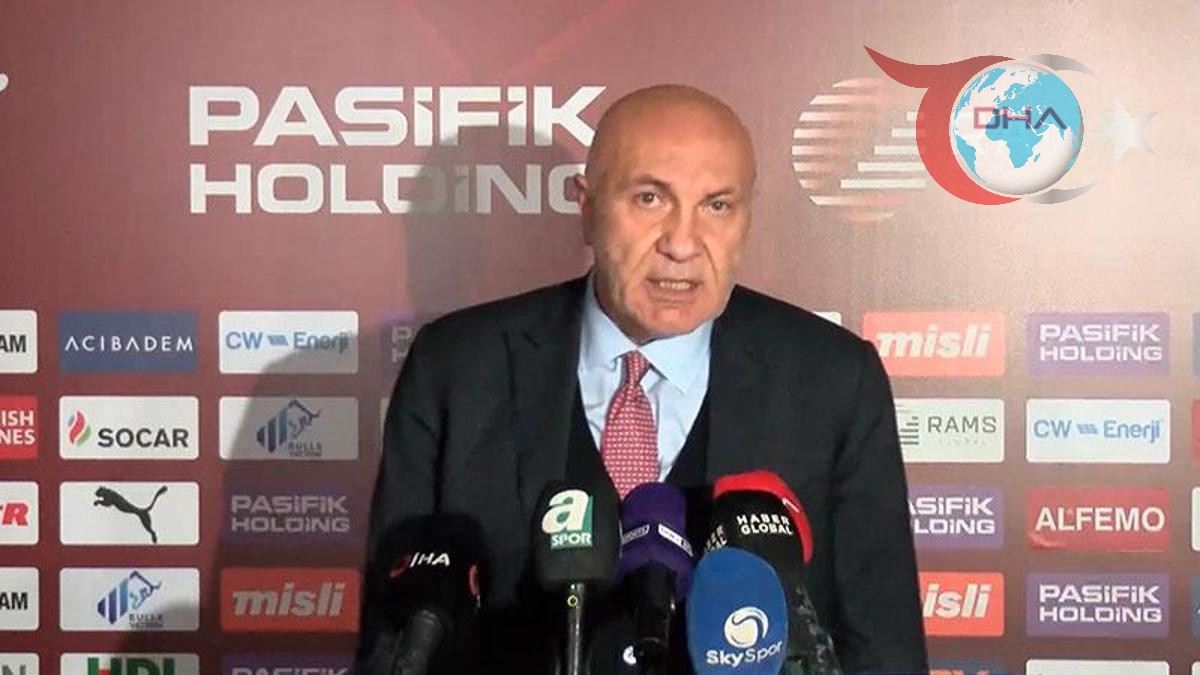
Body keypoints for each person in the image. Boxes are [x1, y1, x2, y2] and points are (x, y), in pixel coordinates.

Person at [356, 84, 928, 673]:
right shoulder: (456, 368)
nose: (681, 245)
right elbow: (392, 644)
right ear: (587, 207)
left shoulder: (833, 379)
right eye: (650, 199)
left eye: (717, 206)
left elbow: (884, 650)